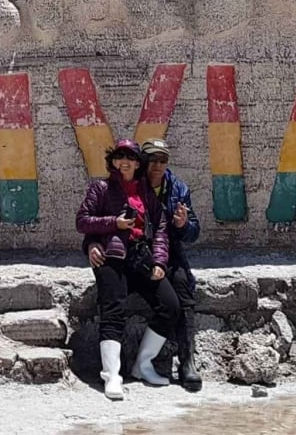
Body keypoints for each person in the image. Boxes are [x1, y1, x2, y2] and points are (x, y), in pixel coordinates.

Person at [76, 137, 180, 399]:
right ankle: (111, 375)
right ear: (112, 161)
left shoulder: (145, 192)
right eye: (120, 156)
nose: (125, 161)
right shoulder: (100, 188)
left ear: (138, 163)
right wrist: (114, 224)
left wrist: (159, 261)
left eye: (131, 157)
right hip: (111, 257)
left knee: (170, 306)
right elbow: (83, 221)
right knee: (113, 311)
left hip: (141, 257)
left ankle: (143, 365)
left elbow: (161, 227)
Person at [141, 137, 202, 390]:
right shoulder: (133, 186)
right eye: (152, 160)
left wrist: (182, 225)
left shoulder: (178, 189)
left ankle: (187, 361)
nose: (157, 165)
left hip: (170, 253)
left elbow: (194, 231)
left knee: (184, 293)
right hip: (139, 252)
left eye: (162, 160)